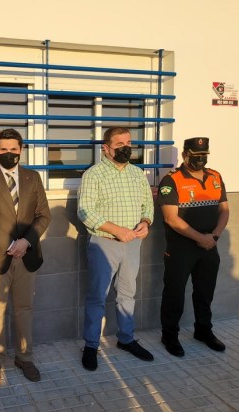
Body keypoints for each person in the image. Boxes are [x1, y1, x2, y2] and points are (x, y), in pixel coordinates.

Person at [0, 128, 51, 388]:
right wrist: (10, 244)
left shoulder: (33, 177)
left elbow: (44, 214)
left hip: (27, 254)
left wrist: (26, 242)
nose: (9, 153)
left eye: (13, 149)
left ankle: (24, 358)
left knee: (24, 308)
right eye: (3, 149)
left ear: (21, 150)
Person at [77, 126, 155, 371]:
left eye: (128, 143)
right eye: (119, 144)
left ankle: (126, 339)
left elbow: (148, 205)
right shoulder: (94, 175)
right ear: (106, 148)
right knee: (97, 296)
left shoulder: (137, 174)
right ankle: (91, 345)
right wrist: (117, 230)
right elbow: (85, 211)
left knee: (127, 293)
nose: (125, 148)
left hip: (132, 243)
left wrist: (146, 222)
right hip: (104, 243)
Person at [157, 137, 229, 357]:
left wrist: (214, 236)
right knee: (174, 293)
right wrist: (200, 238)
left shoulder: (215, 177)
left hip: (209, 245)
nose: (200, 159)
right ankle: (170, 336)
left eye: (203, 155)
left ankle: (203, 331)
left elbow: (224, 210)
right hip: (181, 248)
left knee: (205, 292)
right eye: (195, 156)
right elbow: (171, 219)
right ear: (184, 155)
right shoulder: (171, 180)